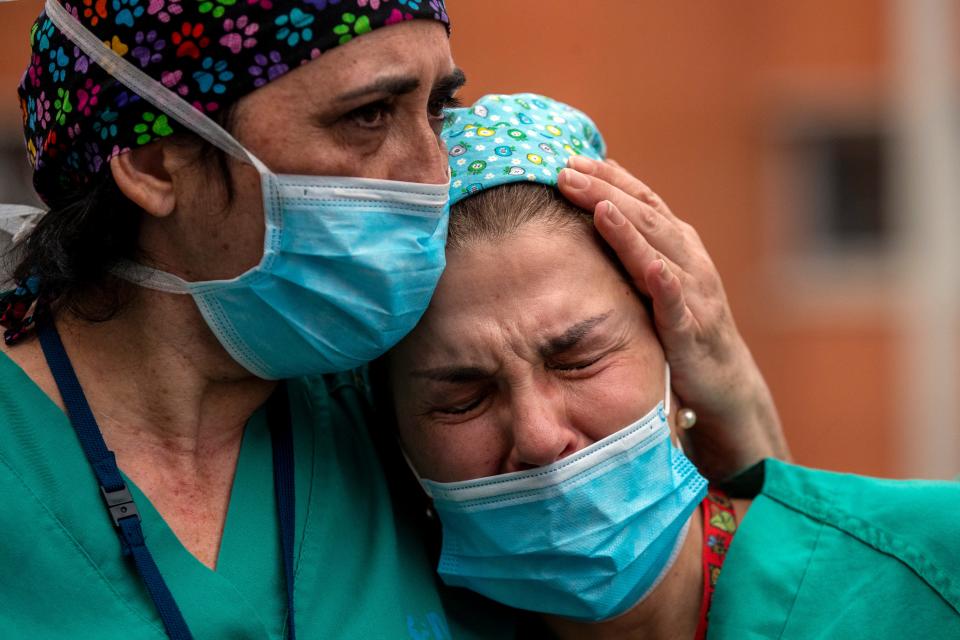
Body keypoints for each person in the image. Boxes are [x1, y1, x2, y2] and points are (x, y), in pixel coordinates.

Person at [0, 2, 786, 638]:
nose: (432, 171)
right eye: (369, 116)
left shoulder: (399, 408)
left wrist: (732, 398)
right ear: (154, 163)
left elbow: (747, 602)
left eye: (438, 108)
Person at [382, 93, 960, 639]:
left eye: (578, 360)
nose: (538, 436)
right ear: (396, 435)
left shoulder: (933, 568)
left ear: (671, 346)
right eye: (463, 400)